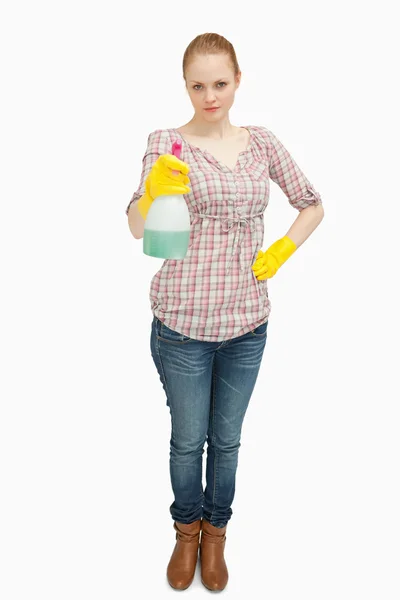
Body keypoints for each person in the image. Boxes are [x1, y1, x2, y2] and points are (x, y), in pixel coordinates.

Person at [126, 32, 324, 592]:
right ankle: (185, 531)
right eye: (197, 85)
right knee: (189, 441)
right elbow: (137, 227)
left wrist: (282, 251)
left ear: (237, 81)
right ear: (184, 86)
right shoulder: (166, 142)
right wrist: (150, 193)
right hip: (182, 325)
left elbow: (312, 203)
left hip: (246, 324)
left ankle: (217, 534)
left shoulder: (262, 143)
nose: (209, 95)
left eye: (219, 83)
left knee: (229, 441)